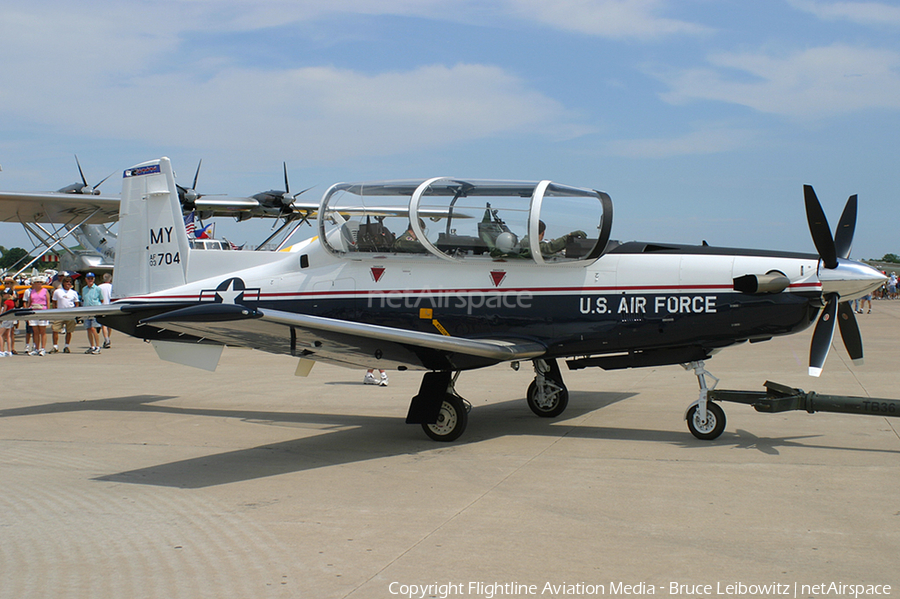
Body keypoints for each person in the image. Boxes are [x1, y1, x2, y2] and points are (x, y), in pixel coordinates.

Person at [50, 276, 80, 353]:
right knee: (55, 330)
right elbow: (54, 302)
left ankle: (67, 346)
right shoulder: (57, 291)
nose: (68, 283)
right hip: (60, 313)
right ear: (63, 283)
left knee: (69, 331)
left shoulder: (74, 292)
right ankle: (55, 346)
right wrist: (55, 310)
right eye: (67, 282)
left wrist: (75, 312)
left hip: (70, 313)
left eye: (70, 282)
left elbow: (76, 303)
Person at [25, 276, 50, 356]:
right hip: (34, 310)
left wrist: (48, 312)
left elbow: (48, 301)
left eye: (40, 282)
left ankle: (43, 348)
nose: (39, 284)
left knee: (42, 331)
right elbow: (29, 302)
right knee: (35, 331)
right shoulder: (32, 292)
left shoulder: (45, 291)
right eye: (37, 282)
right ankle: (36, 348)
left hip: (42, 310)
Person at [81, 272, 103, 354]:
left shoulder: (97, 289)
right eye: (88, 278)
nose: (90, 280)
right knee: (88, 329)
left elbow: (101, 299)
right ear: (86, 279)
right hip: (87, 310)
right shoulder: (84, 289)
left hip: (95, 310)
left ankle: (98, 346)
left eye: (91, 278)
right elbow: (84, 299)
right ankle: (92, 346)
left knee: (94, 328)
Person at [98, 273, 113, 348]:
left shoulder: (99, 287)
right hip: (111, 307)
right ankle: (108, 338)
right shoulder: (112, 287)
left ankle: (106, 339)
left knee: (104, 325)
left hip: (102, 307)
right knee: (109, 325)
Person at [0, 288, 16, 357]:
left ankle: (1, 350)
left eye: (5, 293)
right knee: (7, 335)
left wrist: (1, 318)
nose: (3, 295)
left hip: (5, 319)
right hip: (10, 319)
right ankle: (9, 350)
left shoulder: (6, 302)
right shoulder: (12, 302)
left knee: (0, 334)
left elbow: (4, 312)